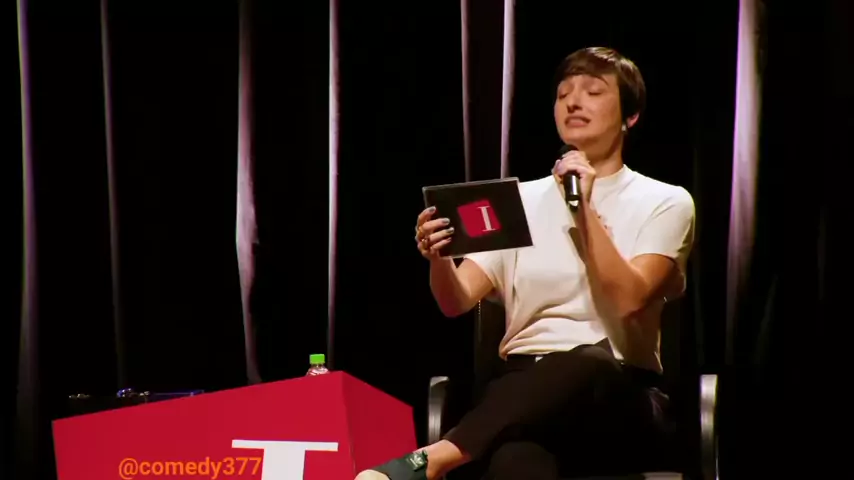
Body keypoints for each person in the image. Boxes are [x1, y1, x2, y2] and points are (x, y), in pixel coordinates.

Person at [356, 46, 695, 480]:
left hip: (619, 395)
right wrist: (439, 259)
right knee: (515, 460)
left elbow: (627, 299)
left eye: (593, 92)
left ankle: (432, 458)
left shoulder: (665, 201)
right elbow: (456, 301)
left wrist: (581, 208)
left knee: (590, 360)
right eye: (563, 94)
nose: (573, 102)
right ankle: (443, 456)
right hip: (523, 388)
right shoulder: (515, 201)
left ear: (630, 117)